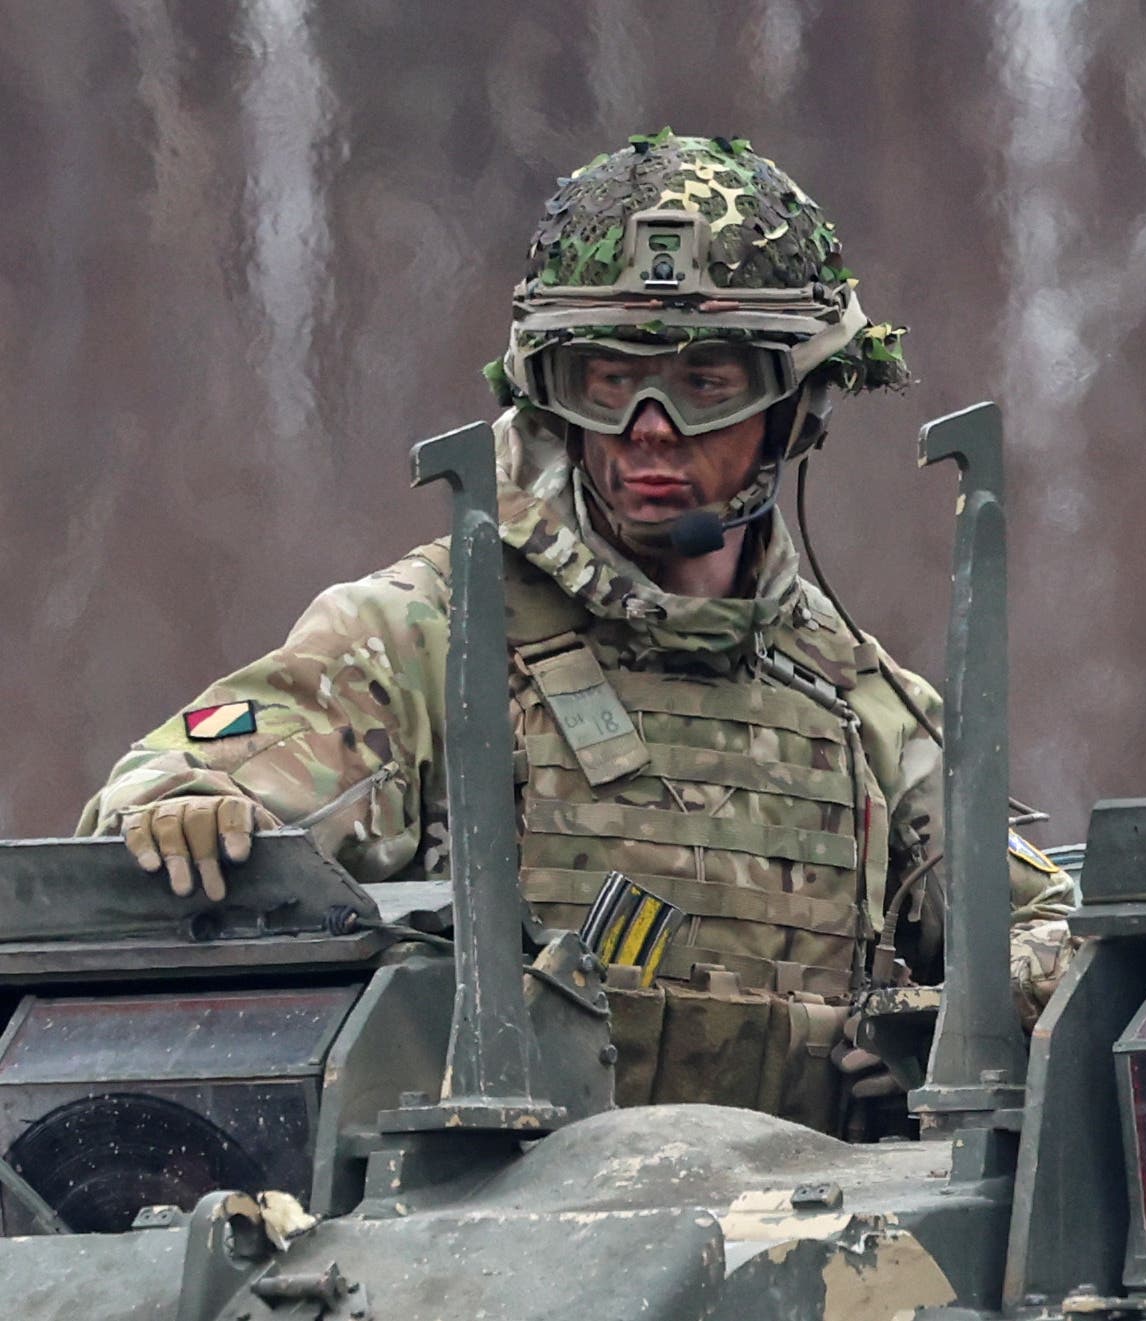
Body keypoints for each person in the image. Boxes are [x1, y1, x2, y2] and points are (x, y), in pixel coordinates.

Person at [80, 131, 1074, 1134]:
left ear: (793, 410)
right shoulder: (435, 638)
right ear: (554, 395)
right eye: (609, 381)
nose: (649, 426)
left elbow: (1050, 928)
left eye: (705, 384)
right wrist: (178, 806)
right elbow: (170, 804)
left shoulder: (850, 695)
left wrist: (967, 1012)